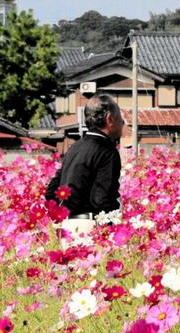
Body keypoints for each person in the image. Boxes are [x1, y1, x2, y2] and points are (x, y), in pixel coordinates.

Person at [45, 93, 125, 239]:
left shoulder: (75, 147)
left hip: (65, 228)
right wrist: (113, 230)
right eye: (120, 118)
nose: (123, 123)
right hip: (90, 229)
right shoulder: (107, 150)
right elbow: (102, 199)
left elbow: (52, 191)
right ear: (110, 119)